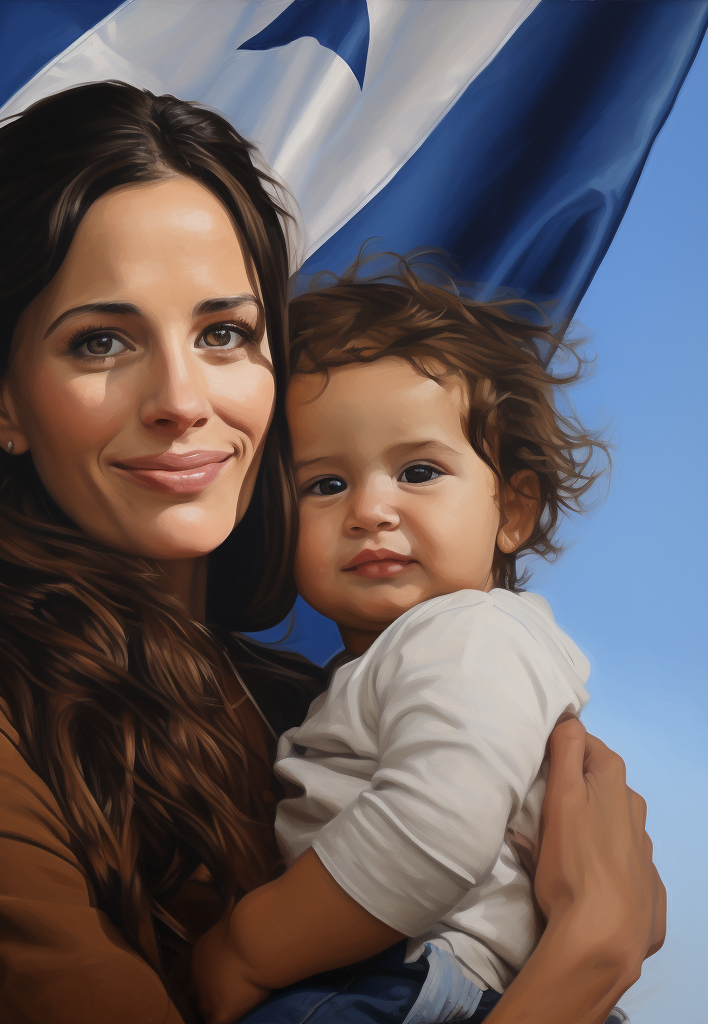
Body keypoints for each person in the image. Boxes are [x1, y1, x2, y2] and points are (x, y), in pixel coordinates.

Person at [0, 83, 664, 1024]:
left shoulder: (308, 704)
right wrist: (582, 964)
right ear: (2, 404)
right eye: (102, 340)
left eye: (224, 333)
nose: (180, 397)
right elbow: (578, 938)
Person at [190, 262, 637, 1024]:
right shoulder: (397, 659)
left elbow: (434, 831)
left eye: (419, 471)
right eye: (324, 484)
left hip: (415, 985)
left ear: (514, 509)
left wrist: (245, 947)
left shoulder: (472, 635)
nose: (369, 509)